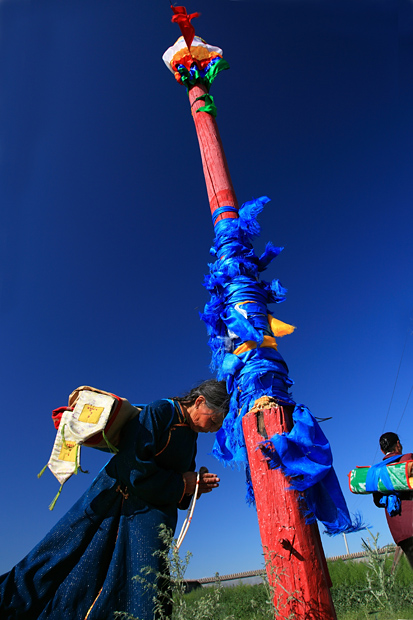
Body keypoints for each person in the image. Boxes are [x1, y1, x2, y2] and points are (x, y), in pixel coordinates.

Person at [0, 379, 229, 619]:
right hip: (116, 506)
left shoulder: (191, 440)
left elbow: (181, 485)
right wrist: (183, 483)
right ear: (200, 401)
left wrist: (193, 488)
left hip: (152, 522)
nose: (213, 429)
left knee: (145, 586)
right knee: (64, 559)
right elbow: (134, 467)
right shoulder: (161, 411)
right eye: (213, 420)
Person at [373, 432, 413, 568]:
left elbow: (378, 502)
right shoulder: (408, 459)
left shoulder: (376, 472)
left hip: (400, 533)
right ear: (398, 444)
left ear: (382, 450)